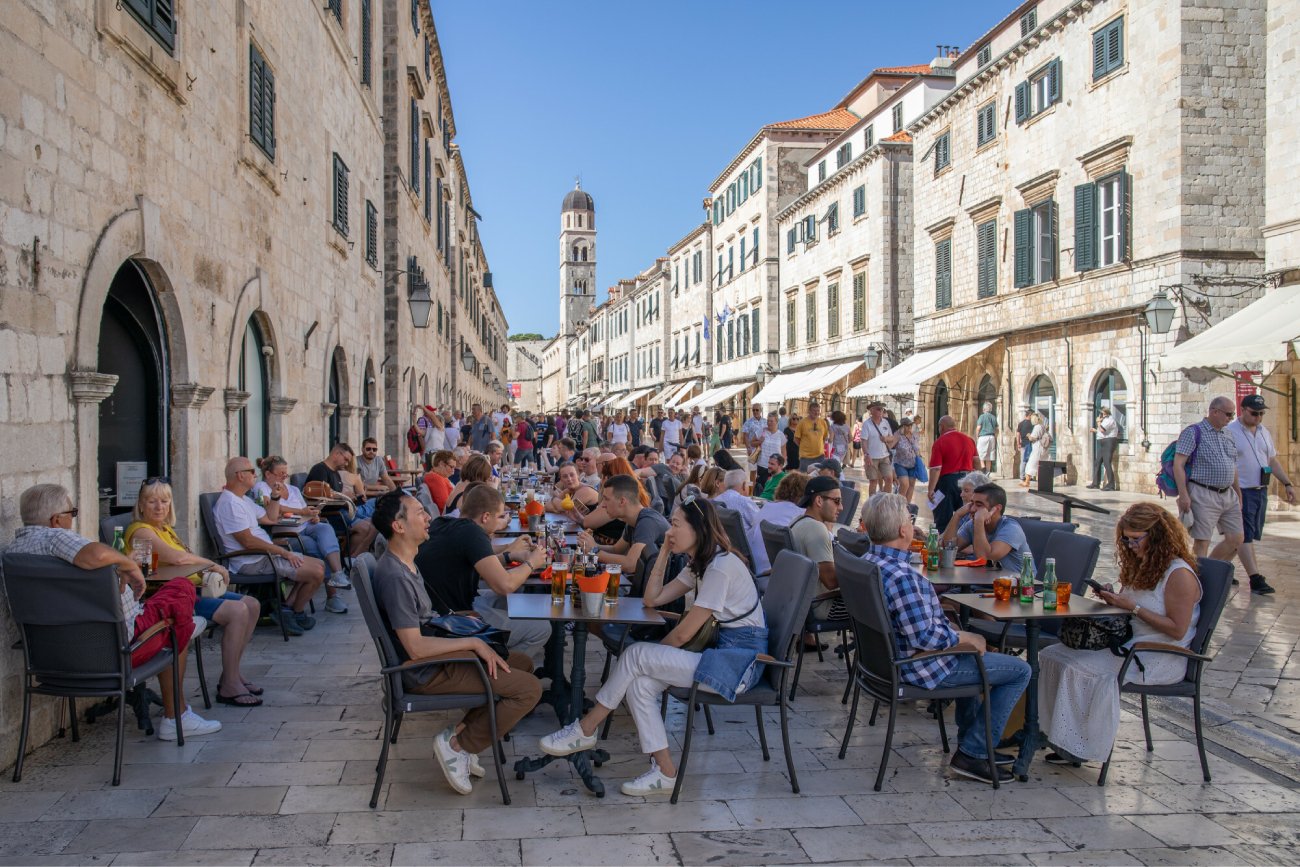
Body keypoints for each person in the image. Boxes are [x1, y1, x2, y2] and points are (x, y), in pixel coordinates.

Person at [538, 496, 767, 796]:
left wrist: (654, 654)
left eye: (675, 525)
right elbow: (652, 599)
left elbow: (684, 635)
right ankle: (665, 772)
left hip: (739, 664)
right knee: (640, 685)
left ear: (698, 529)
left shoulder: (721, 567)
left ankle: (585, 729)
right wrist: (662, 555)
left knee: (636, 656)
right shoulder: (702, 562)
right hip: (718, 656)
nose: (669, 532)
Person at [4, 484, 221, 739]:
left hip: (52, 658)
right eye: (72, 513)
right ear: (56, 520)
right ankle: (177, 718)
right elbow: (94, 554)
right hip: (119, 651)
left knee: (174, 609)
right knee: (180, 599)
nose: (71, 520)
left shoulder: (12, 553)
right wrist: (127, 562)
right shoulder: (55, 537)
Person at [369, 491, 541, 795]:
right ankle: (459, 746)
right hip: (424, 671)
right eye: (420, 512)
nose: (428, 518)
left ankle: (458, 733)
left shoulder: (406, 563)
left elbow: (425, 621)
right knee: (528, 689)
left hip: (432, 659)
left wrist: (465, 624)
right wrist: (473, 644)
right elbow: (415, 647)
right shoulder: (396, 576)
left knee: (522, 663)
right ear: (398, 526)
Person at [858, 492, 1029, 783]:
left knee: (974, 652)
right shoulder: (903, 576)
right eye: (909, 521)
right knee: (1018, 670)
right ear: (903, 530)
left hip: (884, 665)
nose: (911, 525)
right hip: (920, 667)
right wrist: (963, 637)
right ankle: (973, 752)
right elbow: (926, 637)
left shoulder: (866, 561)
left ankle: (975, 741)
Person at [1038, 503, 1202, 765]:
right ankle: (1052, 733)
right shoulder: (1144, 564)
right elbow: (1134, 606)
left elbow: (1176, 629)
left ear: (1158, 536)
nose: (1130, 545)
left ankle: (1078, 745)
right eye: (1126, 539)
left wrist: (1133, 607)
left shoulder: (1179, 574)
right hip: (1129, 644)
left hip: (1157, 655)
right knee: (1051, 654)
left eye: (1136, 539)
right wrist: (1115, 599)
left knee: (1078, 668)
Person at [125, 478, 263, 706]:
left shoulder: (164, 529)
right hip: (169, 596)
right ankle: (229, 686)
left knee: (253, 605)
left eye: (164, 501)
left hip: (191, 589)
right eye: (152, 502)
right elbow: (176, 558)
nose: (159, 507)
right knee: (237, 611)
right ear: (140, 505)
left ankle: (232, 674)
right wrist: (211, 564)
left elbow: (174, 561)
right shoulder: (141, 531)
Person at [414, 484, 551, 660]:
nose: (502, 521)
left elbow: (474, 562)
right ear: (486, 517)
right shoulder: (473, 533)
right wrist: (533, 562)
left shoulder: (444, 522)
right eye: (500, 516)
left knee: (513, 599)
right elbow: (505, 585)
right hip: (454, 617)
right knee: (541, 629)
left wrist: (511, 556)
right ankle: (499, 671)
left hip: (442, 605)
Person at [215, 457, 326, 635]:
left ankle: (287, 610)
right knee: (316, 572)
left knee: (319, 565)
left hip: (264, 554)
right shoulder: (229, 503)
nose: (255, 475)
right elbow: (248, 541)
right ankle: (292, 612)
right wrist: (282, 552)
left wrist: (275, 496)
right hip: (252, 560)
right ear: (240, 476)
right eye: (252, 471)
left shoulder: (243, 499)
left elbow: (271, 519)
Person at [252, 456, 349, 612]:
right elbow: (270, 506)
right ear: (268, 474)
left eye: (286, 473)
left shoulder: (293, 489)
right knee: (315, 549)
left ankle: (337, 573)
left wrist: (312, 515)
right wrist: (301, 511)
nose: (284, 476)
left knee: (325, 528)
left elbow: (304, 510)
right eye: (280, 473)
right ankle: (330, 597)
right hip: (285, 535)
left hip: (304, 526)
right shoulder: (262, 487)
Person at [1228, 394, 1293, 595]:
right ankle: (1255, 579)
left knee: (1242, 537)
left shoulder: (1264, 432)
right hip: (1242, 491)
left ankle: (1215, 568)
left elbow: (1271, 461)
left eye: (1261, 413)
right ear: (1243, 410)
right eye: (1254, 413)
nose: (1258, 417)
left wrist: (1287, 483)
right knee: (1244, 535)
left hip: (1260, 490)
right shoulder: (1230, 432)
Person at [1173, 396, 1245, 564]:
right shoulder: (1193, 432)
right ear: (1214, 412)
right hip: (1203, 492)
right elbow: (1179, 464)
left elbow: (1232, 465)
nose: (1231, 418)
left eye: (1232, 415)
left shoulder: (1228, 434)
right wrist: (1184, 495)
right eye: (1228, 414)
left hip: (1228, 494)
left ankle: (1209, 569)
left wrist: (1238, 493)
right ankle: (1199, 580)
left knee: (1236, 539)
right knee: (1202, 540)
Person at [579, 474, 670, 574]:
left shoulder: (647, 522)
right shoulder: (633, 519)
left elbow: (631, 565)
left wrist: (595, 551)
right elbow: (616, 550)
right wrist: (592, 545)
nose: (603, 505)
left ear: (622, 501)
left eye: (606, 499)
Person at [940, 483, 1031, 576]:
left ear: (997, 508)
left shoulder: (1011, 529)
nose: (972, 509)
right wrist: (957, 515)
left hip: (1016, 587)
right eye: (972, 503)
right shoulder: (972, 525)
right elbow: (946, 549)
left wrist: (979, 521)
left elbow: (985, 558)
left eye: (979, 505)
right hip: (982, 583)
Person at [306, 443, 379, 556]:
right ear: (336, 454)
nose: (346, 463)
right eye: (345, 459)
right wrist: (343, 497)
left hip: (342, 510)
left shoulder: (335, 473)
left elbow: (335, 494)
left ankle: (352, 558)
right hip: (330, 514)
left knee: (373, 523)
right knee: (366, 528)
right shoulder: (319, 470)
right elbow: (320, 499)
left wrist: (352, 498)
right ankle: (351, 558)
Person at [789, 476, 846, 620]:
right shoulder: (816, 530)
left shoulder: (797, 521)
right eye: (836, 501)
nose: (841, 507)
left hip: (799, 603)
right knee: (879, 607)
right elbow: (831, 581)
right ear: (819, 501)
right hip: (821, 606)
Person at [711, 469, 773, 576]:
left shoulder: (715, 501)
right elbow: (761, 523)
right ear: (744, 485)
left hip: (723, 551)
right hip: (744, 555)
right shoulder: (744, 502)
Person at [925, 415, 977, 532]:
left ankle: (942, 542)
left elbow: (936, 469)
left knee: (943, 516)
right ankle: (963, 538)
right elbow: (976, 461)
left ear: (941, 427)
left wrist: (931, 489)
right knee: (965, 513)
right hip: (966, 479)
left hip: (947, 481)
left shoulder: (940, 442)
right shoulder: (969, 440)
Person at [861, 402, 898, 496]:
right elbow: (864, 441)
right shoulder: (867, 424)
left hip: (885, 456)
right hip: (872, 457)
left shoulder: (885, 422)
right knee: (873, 481)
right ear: (871, 410)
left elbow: (892, 437)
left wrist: (886, 438)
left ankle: (885, 500)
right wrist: (866, 455)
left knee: (889, 478)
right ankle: (872, 503)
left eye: (882, 409)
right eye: (878, 409)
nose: (881, 411)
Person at [750, 412, 786, 492]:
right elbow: (752, 443)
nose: (769, 423)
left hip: (776, 467)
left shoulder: (781, 435)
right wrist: (759, 441)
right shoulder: (762, 431)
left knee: (774, 489)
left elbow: (784, 452)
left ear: (777, 422)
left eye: (771, 421)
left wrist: (783, 466)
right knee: (761, 488)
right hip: (762, 465)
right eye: (768, 421)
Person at [1087, 407, 1119, 491]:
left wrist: (1098, 422)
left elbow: (1102, 429)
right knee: (1097, 462)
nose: (1101, 415)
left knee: (1107, 463)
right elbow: (1102, 432)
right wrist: (1095, 430)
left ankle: (1111, 485)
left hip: (1109, 442)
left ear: (1105, 413)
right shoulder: (1105, 420)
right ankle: (1095, 483)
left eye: (1102, 413)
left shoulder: (1109, 420)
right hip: (1104, 442)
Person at [793, 402, 830, 472]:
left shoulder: (823, 422)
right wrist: (805, 447)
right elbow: (796, 439)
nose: (816, 413)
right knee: (804, 479)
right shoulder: (802, 423)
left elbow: (824, 437)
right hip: (806, 457)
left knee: (819, 477)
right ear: (809, 411)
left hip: (820, 456)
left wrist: (819, 447)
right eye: (814, 410)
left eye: (818, 411)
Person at [892, 417, 921, 503]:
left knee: (911, 485)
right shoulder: (897, 435)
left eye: (910, 425)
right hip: (900, 463)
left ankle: (907, 506)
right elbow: (891, 446)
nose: (909, 427)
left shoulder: (914, 435)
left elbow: (917, 448)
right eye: (908, 425)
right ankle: (899, 503)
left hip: (912, 463)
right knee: (905, 484)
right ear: (903, 426)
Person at [422, 450, 457, 514]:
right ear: (441, 464)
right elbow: (444, 505)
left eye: (454, 468)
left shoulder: (439, 476)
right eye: (451, 467)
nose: (453, 471)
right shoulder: (436, 478)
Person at [1020, 413, 1047, 489]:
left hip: (1037, 448)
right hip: (1042, 448)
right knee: (1039, 465)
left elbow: (1032, 438)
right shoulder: (1042, 426)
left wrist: (1028, 435)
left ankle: (1027, 482)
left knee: (1031, 464)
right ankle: (1034, 481)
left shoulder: (1037, 427)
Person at [974, 402, 998, 474]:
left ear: (984, 409)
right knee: (989, 456)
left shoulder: (982, 416)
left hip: (983, 437)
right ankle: (988, 472)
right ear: (990, 409)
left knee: (980, 455)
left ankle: (983, 469)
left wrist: (977, 437)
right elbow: (997, 429)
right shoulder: (994, 417)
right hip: (992, 437)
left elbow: (978, 428)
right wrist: (995, 437)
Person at [1016, 409, 1034, 480]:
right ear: (1029, 415)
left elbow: (1018, 434)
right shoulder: (1032, 424)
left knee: (1023, 461)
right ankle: (1030, 476)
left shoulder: (1021, 423)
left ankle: (1022, 476)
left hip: (1023, 444)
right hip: (1030, 444)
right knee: (1030, 460)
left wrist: (1018, 444)